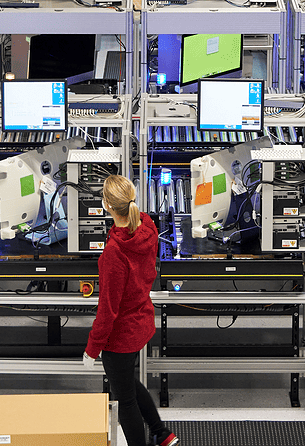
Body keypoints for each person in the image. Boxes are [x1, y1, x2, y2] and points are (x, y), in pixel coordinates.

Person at [83, 175, 178, 446]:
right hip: (141, 322)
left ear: (108, 206)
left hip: (120, 336)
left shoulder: (114, 253)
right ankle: (162, 433)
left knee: (124, 399)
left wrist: (92, 348)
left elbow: (108, 309)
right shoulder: (146, 226)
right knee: (128, 383)